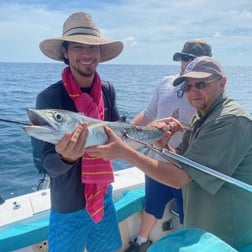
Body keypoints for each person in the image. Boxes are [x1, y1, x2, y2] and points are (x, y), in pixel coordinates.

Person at [86, 56, 252, 250]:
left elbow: (180, 178)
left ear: (222, 83)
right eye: (187, 86)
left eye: (201, 83)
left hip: (230, 239)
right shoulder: (203, 115)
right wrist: (164, 148)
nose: (193, 91)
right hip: (205, 235)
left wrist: (125, 152)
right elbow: (184, 164)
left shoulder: (229, 121)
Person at [32, 12, 123, 252]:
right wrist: (66, 157)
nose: (86, 54)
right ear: (65, 52)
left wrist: (152, 132)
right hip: (68, 204)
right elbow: (47, 164)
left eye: (92, 47)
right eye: (77, 47)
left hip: (103, 193)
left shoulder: (107, 90)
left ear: (100, 53)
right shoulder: (50, 98)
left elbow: (116, 133)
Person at [127, 39, 212, 251]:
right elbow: (147, 116)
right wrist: (123, 136)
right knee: (152, 206)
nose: (187, 63)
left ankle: (187, 247)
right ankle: (140, 243)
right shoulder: (166, 82)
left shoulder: (207, 94)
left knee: (189, 216)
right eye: (184, 58)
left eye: (193, 59)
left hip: (186, 169)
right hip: (157, 159)